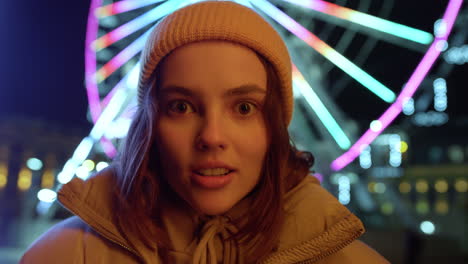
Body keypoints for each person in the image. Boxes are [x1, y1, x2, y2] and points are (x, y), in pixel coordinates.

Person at [21, 1, 389, 263]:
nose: (212, 136)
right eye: (181, 107)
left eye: (244, 108)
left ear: (275, 128)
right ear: (148, 123)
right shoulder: (62, 255)